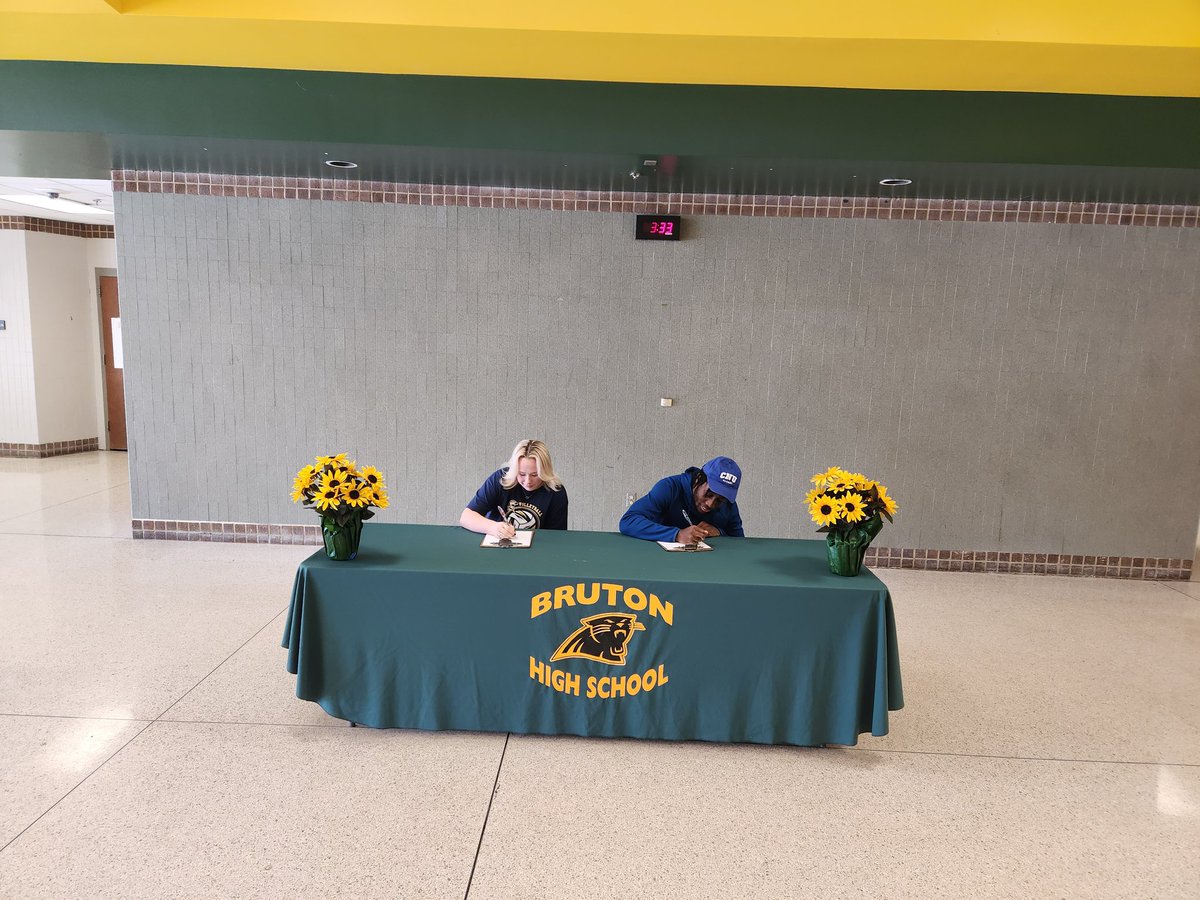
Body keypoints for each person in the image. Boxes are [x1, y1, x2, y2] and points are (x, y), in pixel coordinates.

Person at [619, 456, 744, 543]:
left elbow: (740, 544)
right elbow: (628, 521)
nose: (710, 504)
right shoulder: (670, 488)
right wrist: (676, 535)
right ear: (698, 478)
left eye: (719, 500)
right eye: (709, 494)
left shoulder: (728, 504)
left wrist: (719, 532)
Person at [459, 439, 568, 538]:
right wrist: (493, 528)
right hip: (496, 546)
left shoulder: (556, 491)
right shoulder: (500, 479)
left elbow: (557, 537)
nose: (528, 481)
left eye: (535, 475)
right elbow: (466, 517)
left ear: (545, 471)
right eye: (521, 474)